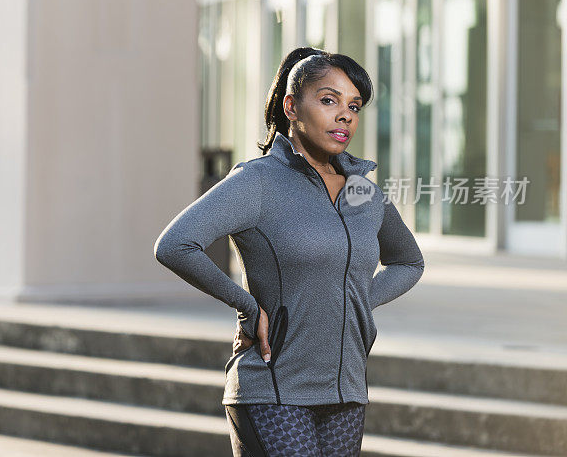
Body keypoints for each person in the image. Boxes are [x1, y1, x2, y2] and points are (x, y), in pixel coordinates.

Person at [153, 47, 425, 456]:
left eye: (354, 105)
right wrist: (245, 304)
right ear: (291, 106)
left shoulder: (362, 192)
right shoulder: (257, 181)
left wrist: (355, 301)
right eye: (329, 100)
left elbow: (409, 261)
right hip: (272, 387)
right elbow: (175, 244)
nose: (345, 115)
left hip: (347, 389)